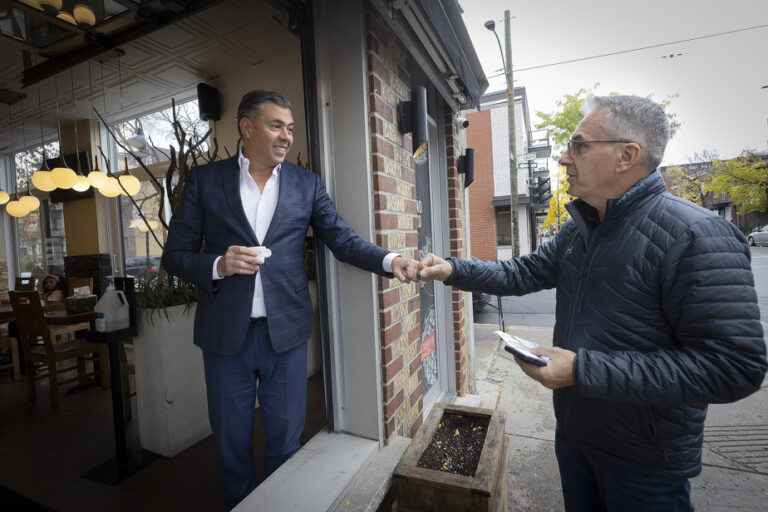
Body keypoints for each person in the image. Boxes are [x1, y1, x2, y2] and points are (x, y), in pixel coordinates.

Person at [418, 95, 767, 511]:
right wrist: (450, 269)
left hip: (644, 462)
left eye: (578, 145)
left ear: (627, 155)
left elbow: (734, 367)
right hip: (577, 436)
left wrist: (581, 370)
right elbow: (522, 273)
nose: (565, 159)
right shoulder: (582, 228)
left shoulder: (697, 235)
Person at [162, 90, 420, 509]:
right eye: (276, 125)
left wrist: (391, 261)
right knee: (231, 446)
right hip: (226, 338)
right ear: (247, 128)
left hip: (286, 337)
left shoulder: (307, 184)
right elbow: (175, 256)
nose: (286, 136)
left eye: (291, 128)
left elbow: (342, 239)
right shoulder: (206, 182)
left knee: (285, 443)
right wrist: (218, 265)